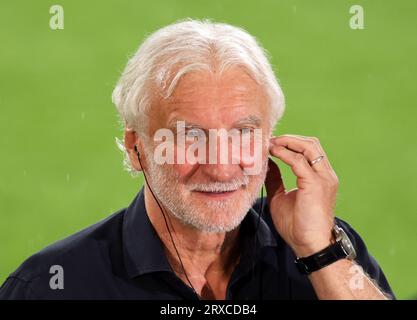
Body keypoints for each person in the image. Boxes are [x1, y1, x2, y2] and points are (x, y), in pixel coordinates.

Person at [0, 19, 394, 300]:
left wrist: (319, 253)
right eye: (190, 136)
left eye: (242, 133)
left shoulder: (328, 249)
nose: (221, 167)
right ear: (137, 148)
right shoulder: (52, 285)